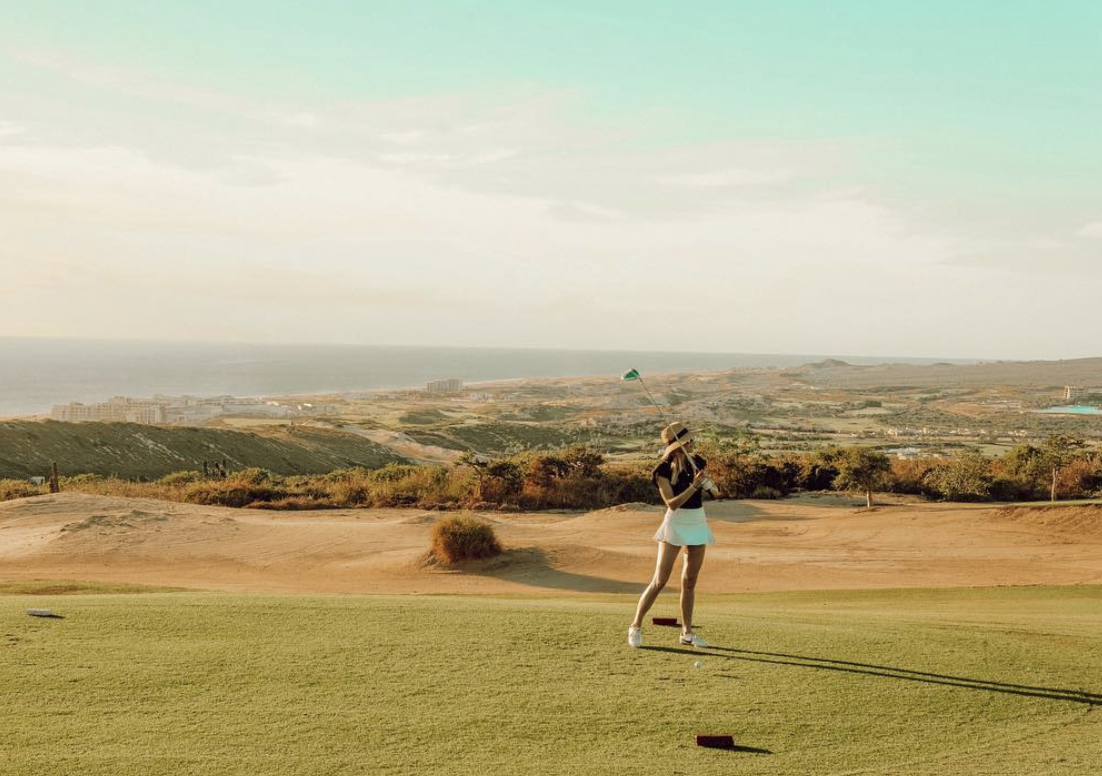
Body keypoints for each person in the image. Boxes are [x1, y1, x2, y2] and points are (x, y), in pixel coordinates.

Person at [628, 421, 717, 649]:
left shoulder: (697, 462)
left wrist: (709, 485)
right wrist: (695, 486)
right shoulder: (662, 470)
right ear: (680, 444)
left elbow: (716, 493)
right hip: (676, 523)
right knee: (660, 580)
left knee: (689, 581)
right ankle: (635, 626)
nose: (693, 443)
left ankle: (687, 633)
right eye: (689, 440)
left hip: (697, 521)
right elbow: (672, 503)